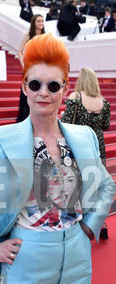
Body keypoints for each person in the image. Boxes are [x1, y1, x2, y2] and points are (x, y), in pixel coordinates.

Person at [0, 33, 115, 284]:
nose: (43, 92)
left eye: (53, 85)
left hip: (78, 261)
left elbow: (106, 185)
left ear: (65, 90)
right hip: (26, 260)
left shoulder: (84, 136)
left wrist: (91, 226)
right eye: (35, 84)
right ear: (24, 88)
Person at [61, 67, 111, 239]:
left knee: (77, 183)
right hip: (98, 144)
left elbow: (66, 122)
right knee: (96, 183)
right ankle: (100, 222)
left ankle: (76, 224)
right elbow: (105, 125)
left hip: (79, 144)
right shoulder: (103, 101)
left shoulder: (76, 98)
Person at [16, 14, 45, 122]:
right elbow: (20, 51)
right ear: (34, 23)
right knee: (27, 93)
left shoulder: (45, 37)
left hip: (41, 69)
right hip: (29, 69)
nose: (41, 23)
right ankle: (25, 117)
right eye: (39, 21)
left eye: (42, 21)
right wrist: (24, 65)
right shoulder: (28, 36)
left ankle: (37, 117)